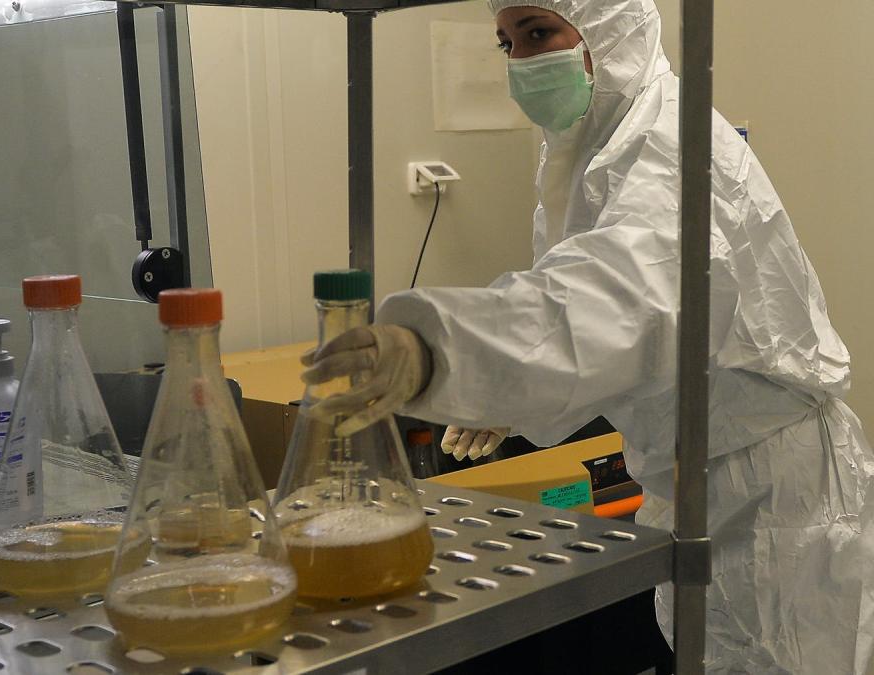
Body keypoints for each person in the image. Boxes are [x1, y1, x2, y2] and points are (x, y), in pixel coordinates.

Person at [301, 0, 874, 671]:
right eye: (506, 43)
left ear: (610, 29)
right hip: (699, 476)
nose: (522, 62)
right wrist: (508, 393)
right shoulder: (597, 144)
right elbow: (615, 325)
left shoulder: (673, 149)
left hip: (769, 498)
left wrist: (436, 350)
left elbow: (615, 297)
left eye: (540, 33)